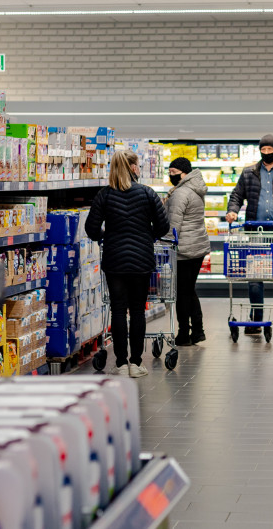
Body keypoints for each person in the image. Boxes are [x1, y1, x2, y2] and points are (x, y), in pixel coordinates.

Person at [86, 148, 170, 378]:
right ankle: (136, 364)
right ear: (133, 168)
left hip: (114, 260)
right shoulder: (147, 193)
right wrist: (145, 234)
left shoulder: (104, 195)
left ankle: (121, 364)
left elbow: (91, 229)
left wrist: (107, 236)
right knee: (137, 311)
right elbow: (163, 227)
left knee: (118, 311)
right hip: (141, 260)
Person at [225, 134, 273, 334]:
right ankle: (256, 319)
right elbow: (237, 195)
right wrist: (232, 210)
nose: (266, 153)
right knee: (255, 275)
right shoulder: (249, 172)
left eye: (270, 150)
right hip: (256, 231)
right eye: (263, 150)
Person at [165, 157, 210, 346]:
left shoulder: (180, 193)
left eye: (174, 173)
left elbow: (173, 226)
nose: (171, 176)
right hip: (197, 247)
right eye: (170, 172)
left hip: (184, 249)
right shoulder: (195, 189)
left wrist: (166, 246)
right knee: (189, 289)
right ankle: (198, 330)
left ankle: (184, 333)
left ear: (184, 173)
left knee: (182, 292)